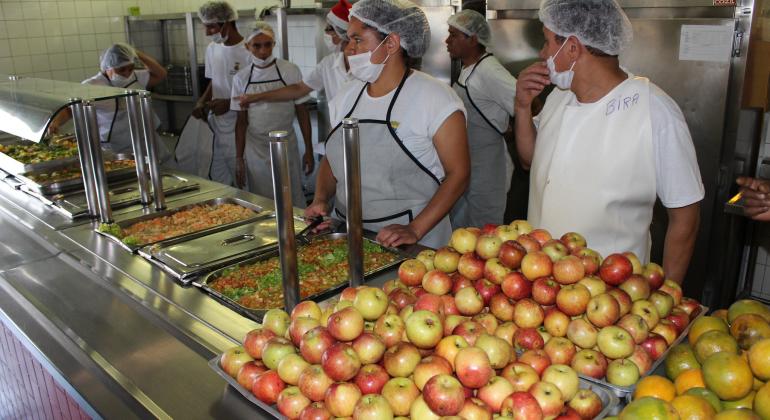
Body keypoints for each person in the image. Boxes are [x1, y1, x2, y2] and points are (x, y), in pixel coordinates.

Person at [514, 0, 704, 283]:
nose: (542, 54)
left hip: (613, 293)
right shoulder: (557, 97)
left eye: (547, 42)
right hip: (542, 281)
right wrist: (522, 108)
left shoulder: (653, 110)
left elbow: (685, 216)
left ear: (573, 48)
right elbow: (530, 161)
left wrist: (667, 293)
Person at [306, 0, 470, 249]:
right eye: (349, 39)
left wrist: (415, 229)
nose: (348, 49)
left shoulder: (435, 98)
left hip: (415, 242)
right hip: (348, 232)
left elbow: (459, 174)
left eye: (358, 39)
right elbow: (334, 156)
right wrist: (320, 199)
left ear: (391, 43)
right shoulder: (347, 96)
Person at [446, 9, 517, 228]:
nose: (447, 41)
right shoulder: (469, 69)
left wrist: (511, 127)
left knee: (486, 234)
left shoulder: (489, 70)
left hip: (487, 170)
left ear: (473, 39)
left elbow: (526, 102)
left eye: (454, 35)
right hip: (469, 165)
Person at [230, 21, 314, 206]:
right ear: (247, 46)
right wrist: (239, 158)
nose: (263, 51)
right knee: (263, 199)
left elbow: (302, 112)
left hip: (286, 144)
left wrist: (308, 149)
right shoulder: (241, 78)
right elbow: (241, 122)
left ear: (274, 44)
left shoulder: (290, 70)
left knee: (291, 194)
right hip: (256, 148)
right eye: (257, 46)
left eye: (268, 44)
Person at [47, 43, 167, 155]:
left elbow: (161, 73)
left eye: (130, 68)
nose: (127, 73)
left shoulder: (136, 77)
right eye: (121, 70)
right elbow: (70, 110)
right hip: (115, 145)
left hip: (145, 138)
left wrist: (136, 53)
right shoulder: (92, 85)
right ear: (107, 68)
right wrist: (55, 123)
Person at [235, 0, 353, 110]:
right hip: (341, 129)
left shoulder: (365, 63)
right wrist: (255, 97)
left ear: (341, 33)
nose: (325, 33)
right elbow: (299, 89)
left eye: (328, 29)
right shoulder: (328, 63)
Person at [194, 1, 252, 186]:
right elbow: (214, 80)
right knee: (218, 176)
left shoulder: (249, 51)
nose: (207, 33)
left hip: (241, 124)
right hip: (216, 122)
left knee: (243, 178)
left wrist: (229, 103)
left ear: (226, 23)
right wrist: (202, 101)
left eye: (211, 27)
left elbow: (257, 90)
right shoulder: (213, 48)